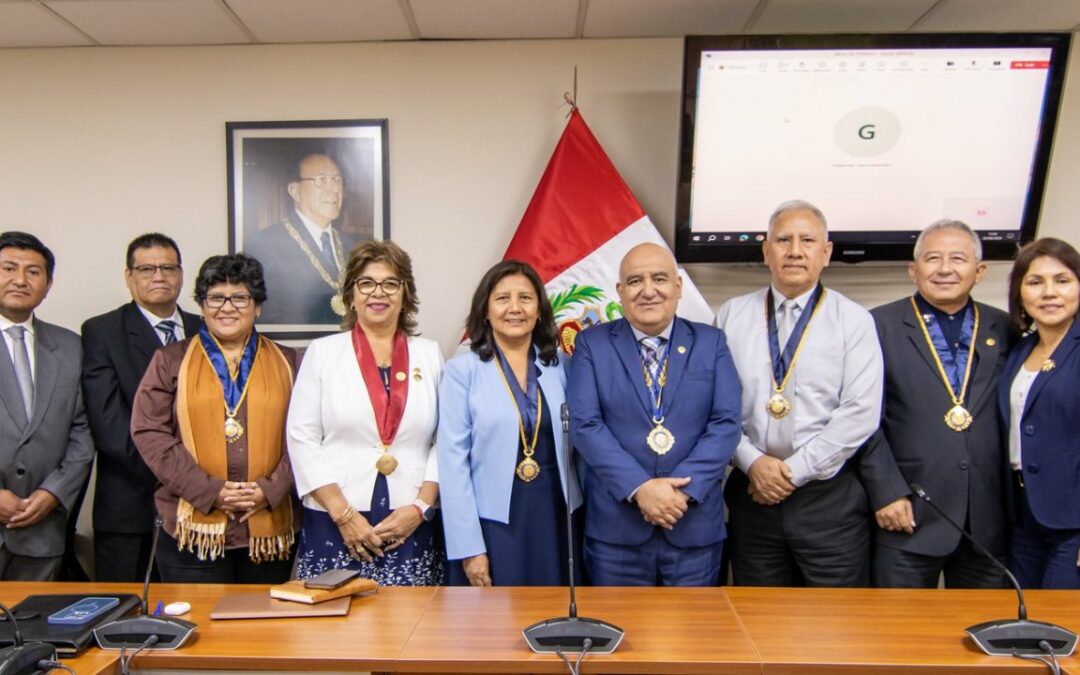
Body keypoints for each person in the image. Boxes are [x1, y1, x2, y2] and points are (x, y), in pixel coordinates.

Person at [716, 200, 883, 587]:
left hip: (826, 499)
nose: (794, 250)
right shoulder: (731, 315)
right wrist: (753, 463)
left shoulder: (854, 320)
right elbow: (715, 405)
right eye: (783, 240)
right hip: (750, 492)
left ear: (826, 253)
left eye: (807, 240)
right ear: (765, 250)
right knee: (757, 625)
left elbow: (860, 412)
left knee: (831, 626)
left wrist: (792, 473)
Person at [567, 243, 741, 586]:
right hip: (617, 533)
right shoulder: (592, 344)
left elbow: (726, 423)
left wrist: (679, 493)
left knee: (694, 636)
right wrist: (641, 488)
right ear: (620, 291)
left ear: (678, 287)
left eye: (659, 279)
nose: (648, 290)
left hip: (693, 527)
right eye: (635, 281)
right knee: (619, 633)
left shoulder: (711, 342)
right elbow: (586, 424)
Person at [859, 220, 1014, 588]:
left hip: (988, 515)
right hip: (907, 510)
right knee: (900, 636)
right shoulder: (878, 325)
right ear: (914, 270)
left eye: (958, 258)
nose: (945, 269)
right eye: (933, 258)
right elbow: (862, 418)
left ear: (979, 271)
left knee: (988, 634)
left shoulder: (1006, 327)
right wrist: (887, 492)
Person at [131, 254, 299, 583]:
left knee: (264, 631)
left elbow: (309, 436)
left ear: (258, 306)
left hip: (268, 528)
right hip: (191, 530)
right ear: (202, 305)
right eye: (215, 298)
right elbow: (149, 432)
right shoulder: (169, 360)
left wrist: (270, 489)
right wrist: (209, 490)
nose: (227, 308)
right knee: (199, 629)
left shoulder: (291, 362)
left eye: (239, 297)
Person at [288, 240, 444, 585]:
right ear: (351, 295)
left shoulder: (430, 354)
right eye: (366, 283)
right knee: (335, 628)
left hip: (409, 518)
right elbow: (302, 438)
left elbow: (443, 440)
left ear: (405, 294)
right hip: (335, 516)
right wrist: (344, 515)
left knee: (411, 627)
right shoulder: (323, 353)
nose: (379, 293)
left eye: (391, 283)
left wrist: (421, 507)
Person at [438, 260, 583, 586]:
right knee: (493, 626)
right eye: (502, 298)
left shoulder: (563, 365)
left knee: (554, 618)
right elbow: (452, 463)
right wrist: (469, 547)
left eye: (525, 298)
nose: (514, 308)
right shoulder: (462, 371)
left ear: (540, 310)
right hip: (492, 522)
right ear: (485, 310)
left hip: (557, 514)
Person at [81, 233, 201, 582]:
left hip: (202, 506)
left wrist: (203, 483)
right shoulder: (102, 331)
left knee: (196, 614)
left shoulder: (205, 328)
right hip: (131, 506)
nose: (158, 277)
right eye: (147, 269)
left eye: (168, 268)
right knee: (125, 617)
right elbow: (109, 425)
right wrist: (180, 474)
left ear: (181, 274)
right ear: (129, 276)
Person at [0, 231, 94, 580]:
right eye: (8, 268)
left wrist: (53, 492)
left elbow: (82, 431)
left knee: (36, 630)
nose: (20, 280)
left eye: (33, 272)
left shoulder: (70, 346)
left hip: (43, 529)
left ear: (48, 283)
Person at [998, 237, 1080, 589]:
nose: (1049, 293)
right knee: (1024, 627)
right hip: (1023, 515)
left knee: (1061, 629)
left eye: (1062, 281)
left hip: (1073, 520)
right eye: (1035, 282)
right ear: (1020, 293)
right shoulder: (1020, 349)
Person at [244, 153, 359, 326]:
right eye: (321, 180)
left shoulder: (354, 248)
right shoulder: (263, 245)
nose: (334, 189)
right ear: (294, 191)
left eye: (337, 180)